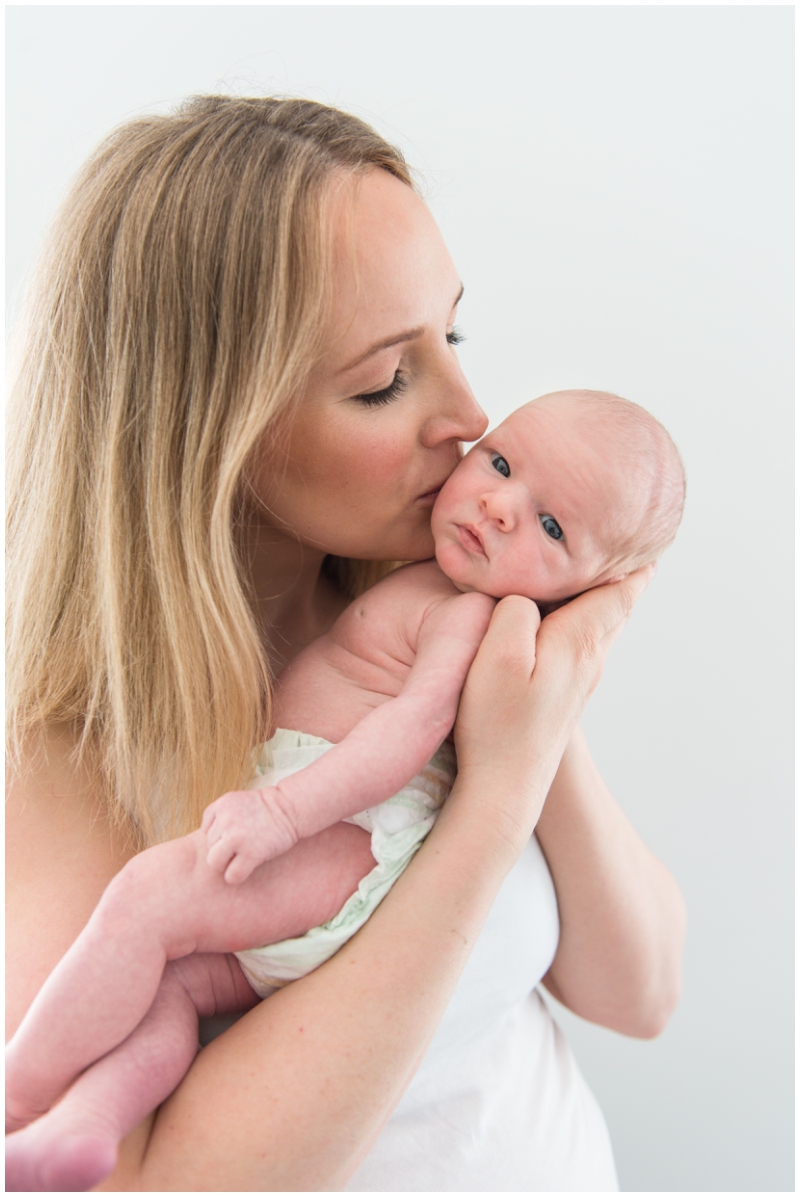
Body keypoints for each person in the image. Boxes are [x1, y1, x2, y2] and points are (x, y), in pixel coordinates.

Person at [6, 95, 686, 1192]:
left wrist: (538, 733)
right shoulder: (75, 758)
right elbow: (149, 1185)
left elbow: (638, 992)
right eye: (383, 380)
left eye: (451, 333)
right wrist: (493, 799)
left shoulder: (450, 624)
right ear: (205, 432)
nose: (469, 415)